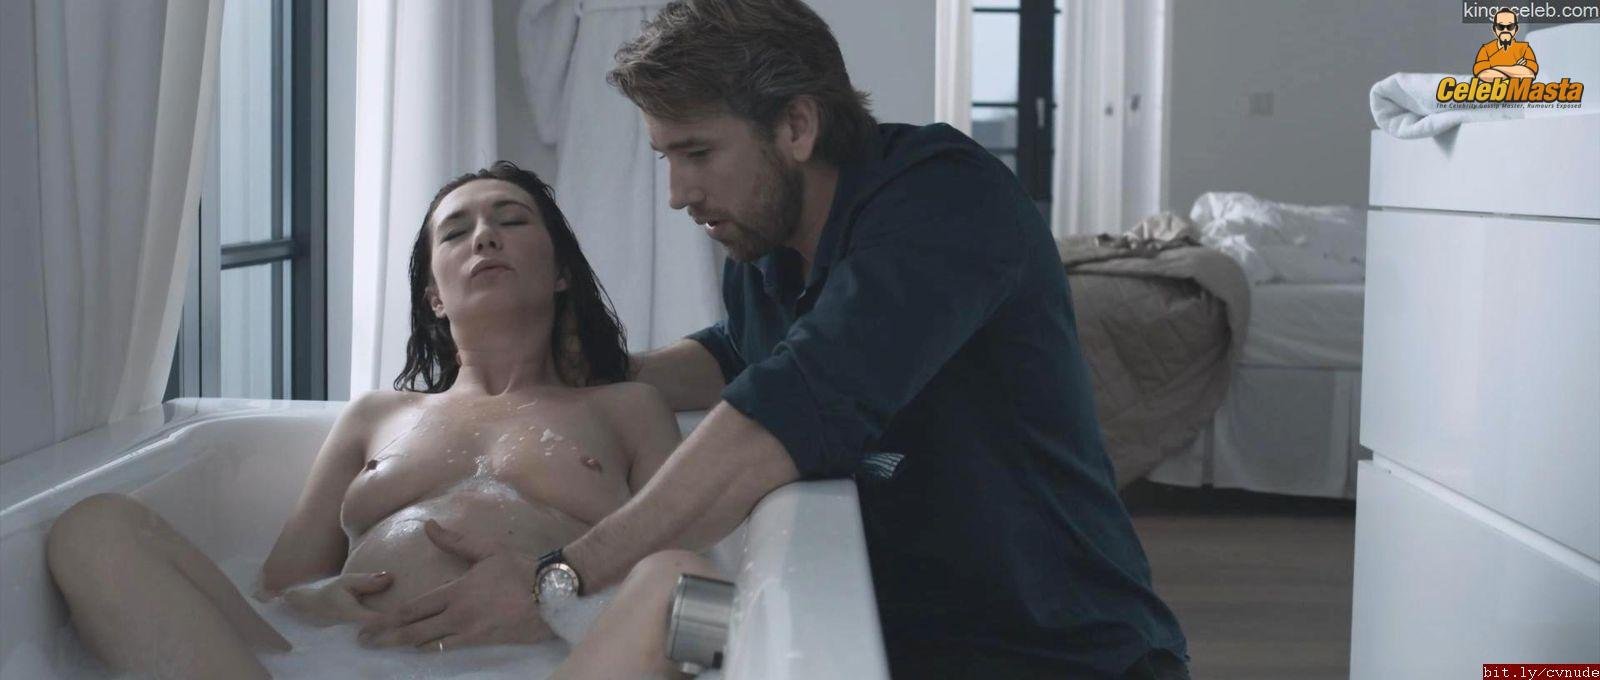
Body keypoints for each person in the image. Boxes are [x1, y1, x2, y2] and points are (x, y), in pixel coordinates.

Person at [362, 1, 1191, 678]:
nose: (678, 192)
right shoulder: (767, 251)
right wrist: (604, 375)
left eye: (697, 152)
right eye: (665, 156)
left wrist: (559, 575)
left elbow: (791, 401)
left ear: (796, 126)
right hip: (902, 638)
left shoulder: (942, 206)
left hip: (1057, 647)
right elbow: (739, 350)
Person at [46, 162, 718, 680]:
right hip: (340, 661)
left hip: (545, 664)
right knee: (94, 528)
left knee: (685, 583)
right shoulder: (377, 415)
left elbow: (690, 559)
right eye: (455, 232)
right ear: (434, 296)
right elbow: (278, 587)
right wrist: (316, 603)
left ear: (562, 273)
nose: (483, 236)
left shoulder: (626, 408)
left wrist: (555, 595)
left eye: (511, 220)